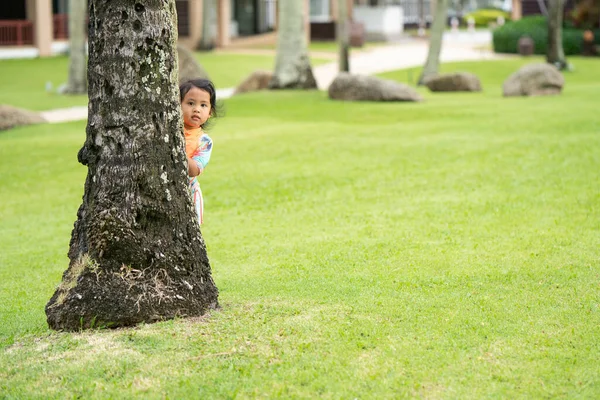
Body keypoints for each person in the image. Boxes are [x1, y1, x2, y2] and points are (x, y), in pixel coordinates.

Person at [179, 78, 218, 225]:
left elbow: (194, 169)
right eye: (190, 103)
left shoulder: (204, 141)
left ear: (209, 112)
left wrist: (177, 151)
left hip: (190, 192)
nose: (196, 109)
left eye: (203, 105)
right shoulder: (168, 131)